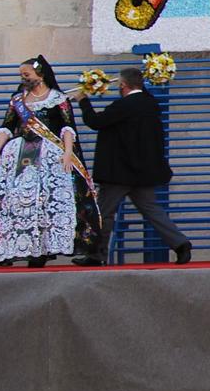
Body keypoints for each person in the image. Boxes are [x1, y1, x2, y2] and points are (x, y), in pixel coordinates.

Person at [0, 57, 96, 268]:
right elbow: (6, 127)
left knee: (45, 201)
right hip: (19, 154)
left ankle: (39, 251)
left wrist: (68, 152)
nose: (23, 78)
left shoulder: (58, 99)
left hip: (49, 157)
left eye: (27, 75)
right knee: (14, 201)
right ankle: (7, 249)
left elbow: (67, 128)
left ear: (40, 74)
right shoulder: (18, 100)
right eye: (22, 75)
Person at [76, 67, 192, 266]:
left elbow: (95, 122)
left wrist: (83, 101)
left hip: (119, 173)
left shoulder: (122, 106)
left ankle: (96, 255)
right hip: (143, 173)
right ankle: (180, 243)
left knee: (104, 213)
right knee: (153, 211)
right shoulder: (150, 104)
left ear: (122, 85)